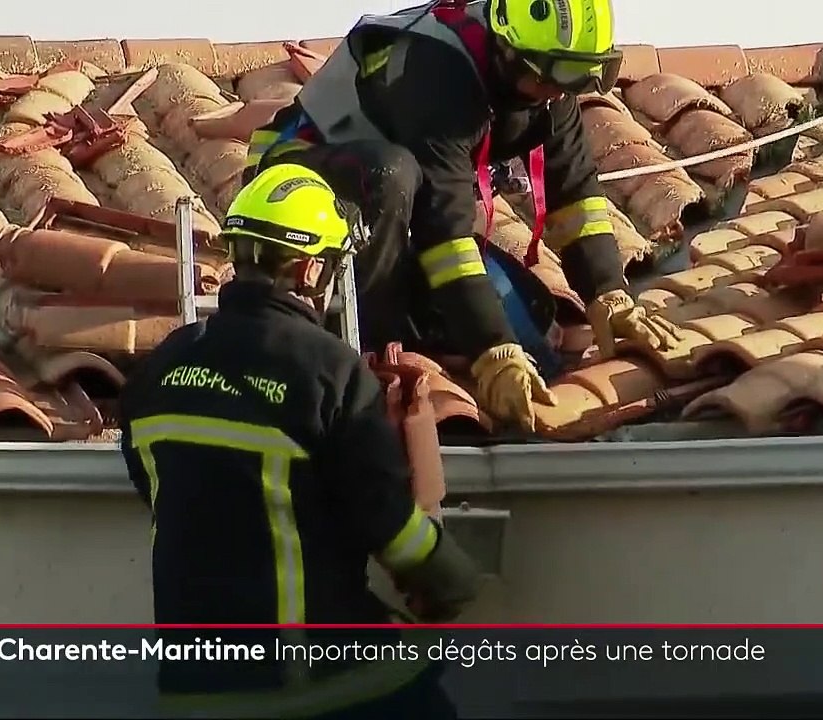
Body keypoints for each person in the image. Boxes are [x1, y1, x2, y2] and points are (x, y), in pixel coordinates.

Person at [118, 163, 481, 718]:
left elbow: (162, 487)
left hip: (190, 686)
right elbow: (387, 525)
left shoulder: (162, 366)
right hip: (310, 678)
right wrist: (452, 576)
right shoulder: (328, 371)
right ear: (312, 268)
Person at [243, 0, 680, 433]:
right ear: (507, 52)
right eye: (553, 74)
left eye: (582, 74)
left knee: (536, 333)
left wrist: (609, 293)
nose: (560, 89)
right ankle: (373, 350)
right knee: (392, 174)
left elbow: (576, 192)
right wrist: (492, 350)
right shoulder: (438, 73)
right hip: (299, 183)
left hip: (396, 212)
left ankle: (415, 321)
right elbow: (445, 233)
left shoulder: (551, 84)